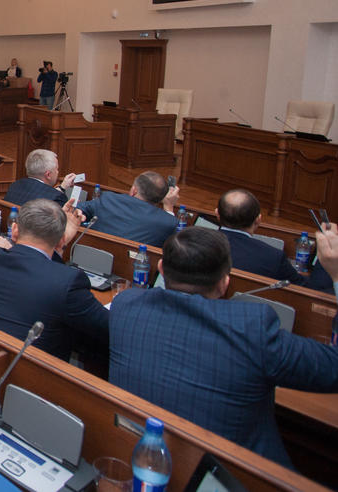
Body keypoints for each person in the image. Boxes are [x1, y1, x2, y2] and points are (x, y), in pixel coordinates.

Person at [109, 225, 338, 469]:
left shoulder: (126, 304)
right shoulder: (251, 328)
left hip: (139, 456)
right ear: (224, 283)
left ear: (161, 269)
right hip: (236, 476)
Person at [0, 198, 108, 362]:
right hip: (33, 371)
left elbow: (43, 271)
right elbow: (108, 327)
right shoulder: (68, 282)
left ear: (14, 230)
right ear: (62, 241)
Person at [216, 189, 304, 285]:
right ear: (258, 220)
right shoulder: (273, 257)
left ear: (217, 214)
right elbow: (305, 288)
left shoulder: (202, 243)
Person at [76, 171, 178, 247]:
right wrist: (169, 207)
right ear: (161, 199)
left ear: (134, 190)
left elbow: (78, 208)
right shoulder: (167, 222)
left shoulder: (108, 199)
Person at [4, 149, 77, 206]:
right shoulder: (56, 199)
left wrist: (62, 188)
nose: (58, 172)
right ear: (48, 175)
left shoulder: (15, 185)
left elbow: (41, 192)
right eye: (57, 169)